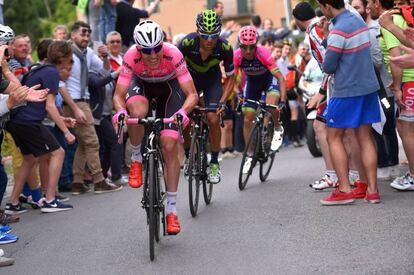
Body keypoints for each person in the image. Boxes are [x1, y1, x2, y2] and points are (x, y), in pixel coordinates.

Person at [112, 20, 198, 235]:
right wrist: (121, 112)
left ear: (163, 44)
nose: (152, 55)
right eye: (146, 51)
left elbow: (192, 94)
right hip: (141, 87)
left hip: (170, 91)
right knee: (137, 114)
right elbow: (118, 96)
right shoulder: (131, 56)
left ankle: (171, 210)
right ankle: (136, 159)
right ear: (138, 49)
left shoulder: (174, 54)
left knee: (169, 147)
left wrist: (182, 112)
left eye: (156, 49)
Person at [316, 0, 381, 205]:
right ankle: (372, 191)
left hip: (346, 91)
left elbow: (328, 66)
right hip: (368, 87)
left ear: (327, 5)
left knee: (333, 136)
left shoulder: (338, 30)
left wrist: (326, 36)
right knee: (365, 137)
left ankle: (344, 190)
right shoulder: (358, 20)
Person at [5, 40, 76, 214]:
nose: (71, 62)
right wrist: (66, 132)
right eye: (70, 58)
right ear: (64, 58)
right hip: (28, 121)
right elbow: (49, 106)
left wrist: (62, 120)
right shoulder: (52, 72)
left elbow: (42, 105)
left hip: (16, 120)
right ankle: (50, 200)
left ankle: (13, 203)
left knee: (30, 159)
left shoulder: (40, 68)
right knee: (58, 152)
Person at [62, 21, 122, 195]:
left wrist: (105, 57)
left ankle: (77, 182)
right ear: (73, 35)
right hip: (75, 102)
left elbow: (104, 71)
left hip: (83, 102)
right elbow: (60, 83)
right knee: (93, 143)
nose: (86, 37)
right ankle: (99, 181)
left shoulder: (88, 52)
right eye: (82, 34)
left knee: (83, 144)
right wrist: (75, 107)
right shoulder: (66, 52)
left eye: (88, 34)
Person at [178, 10, 236, 183]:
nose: (209, 40)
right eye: (205, 35)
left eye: (214, 35)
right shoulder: (187, 43)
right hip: (189, 81)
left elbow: (231, 77)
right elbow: (175, 72)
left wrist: (222, 101)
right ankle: (189, 156)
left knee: (212, 117)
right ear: (198, 31)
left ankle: (214, 163)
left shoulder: (225, 47)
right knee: (185, 117)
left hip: (212, 81)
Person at [371, 0, 414, 190]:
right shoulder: (400, 18)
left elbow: (395, 57)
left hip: (408, 80)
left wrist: (396, 87)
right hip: (407, 79)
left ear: (377, 3)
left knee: (406, 129)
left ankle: (413, 176)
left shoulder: (391, 20)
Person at [234, 26, 287, 174]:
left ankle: (277, 126)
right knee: (247, 119)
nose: (249, 51)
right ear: (240, 45)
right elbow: (232, 80)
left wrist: (282, 100)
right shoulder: (237, 56)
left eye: (252, 47)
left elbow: (280, 79)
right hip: (252, 85)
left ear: (256, 44)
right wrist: (238, 92)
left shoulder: (263, 53)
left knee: (271, 106)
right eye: (244, 47)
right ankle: (249, 154)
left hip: (269, 82)